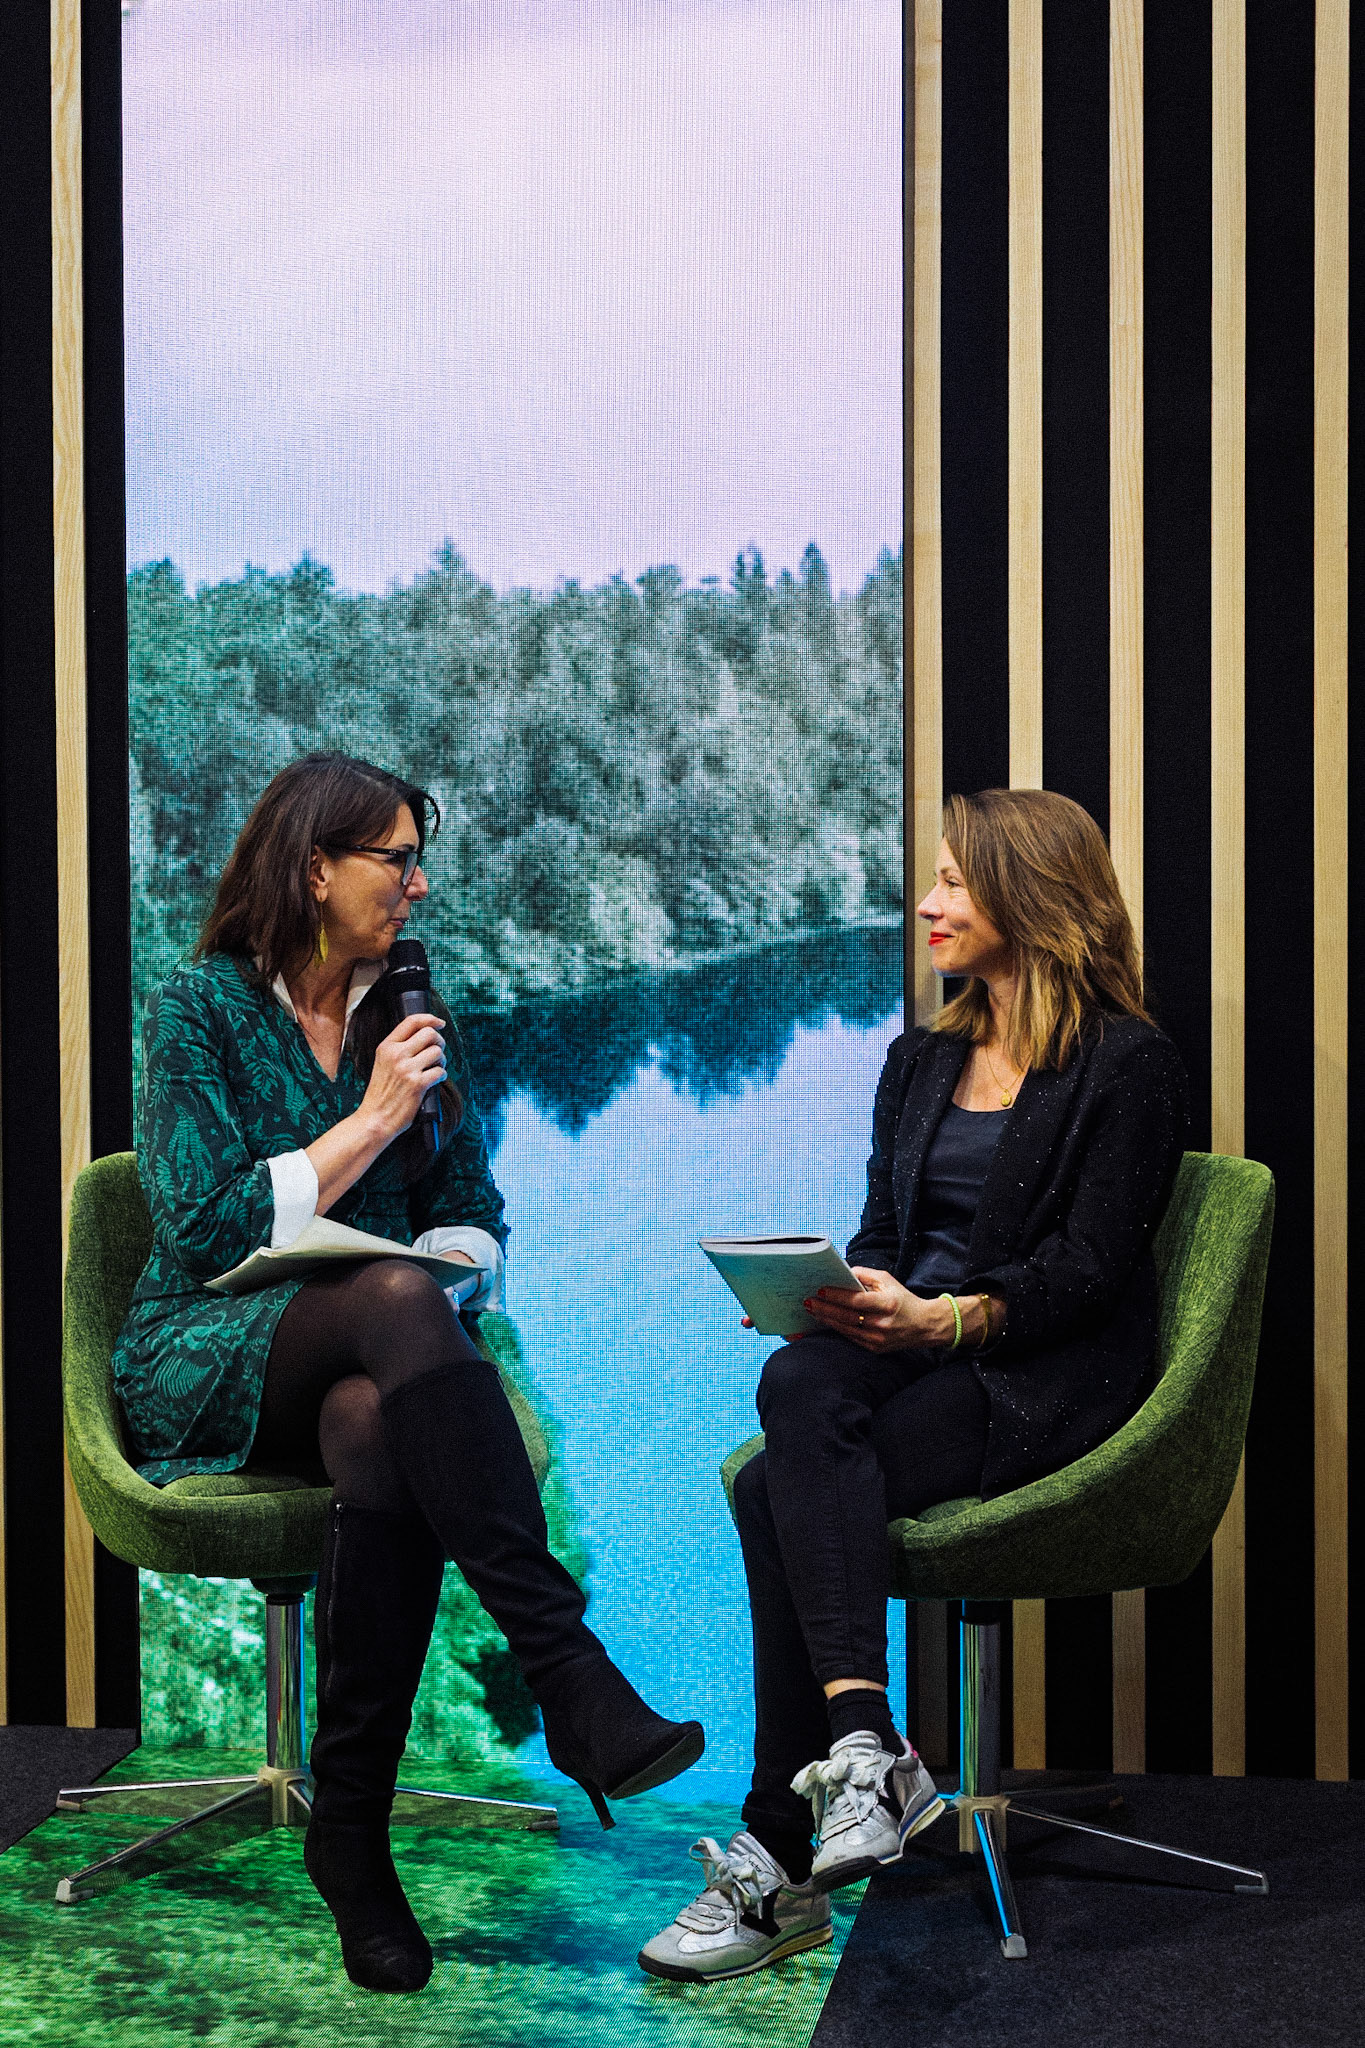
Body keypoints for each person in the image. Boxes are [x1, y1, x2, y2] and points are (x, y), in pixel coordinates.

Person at [114, 751, 703, 1995]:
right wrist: (373, 1119)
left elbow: (476, 1209)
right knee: (391, 1298)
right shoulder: (197, 1008)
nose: (418, 885)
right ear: (315, 868)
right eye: (397, 858)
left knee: (377, 1414)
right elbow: (206, 1230)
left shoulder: (412, 1011)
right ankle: (568, 1669)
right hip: (204, 1349)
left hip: (364, 1368)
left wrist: (453, 1258)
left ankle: (352, 1835)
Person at [639, 787, 1189, 1983]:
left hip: (1041, 1374)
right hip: (913, 1345)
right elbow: (886, 1234)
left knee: (770, 1492)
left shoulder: (1128, 1063)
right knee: (797, 1370)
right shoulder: (920, 1057)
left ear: (1029, 896)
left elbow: (1090, 1271)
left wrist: (949, 1316)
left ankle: (786, 1847)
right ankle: (865, 1754)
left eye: (953, 878)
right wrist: (833, 1297)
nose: (928, 902)